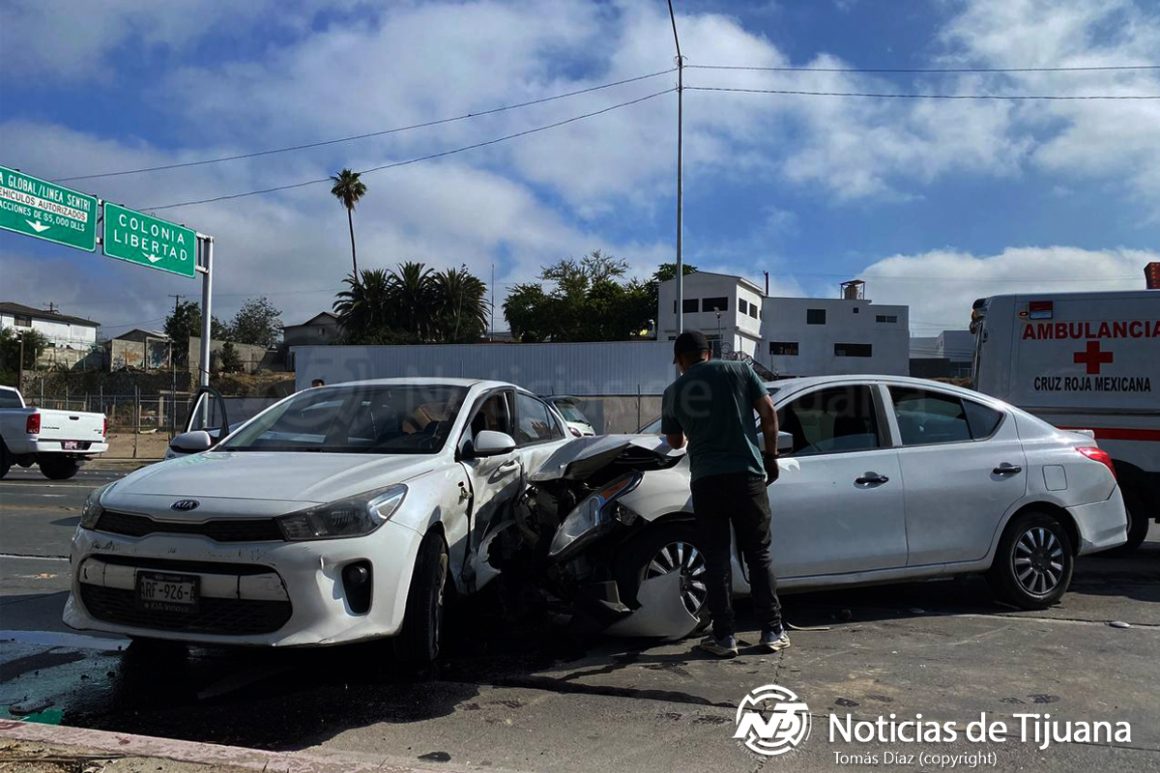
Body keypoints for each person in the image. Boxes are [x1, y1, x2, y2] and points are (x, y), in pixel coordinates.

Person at [661, 330, 788, 658]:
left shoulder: (674, 391)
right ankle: (772, 631)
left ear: (681, 359)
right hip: (747, 476)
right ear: (709, 351)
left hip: (707, 482)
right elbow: (769, 413)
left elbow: (675, 442)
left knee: (716, 558)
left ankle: (724, 637)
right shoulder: (741, 370)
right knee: (758, 553)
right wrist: (770, 457)